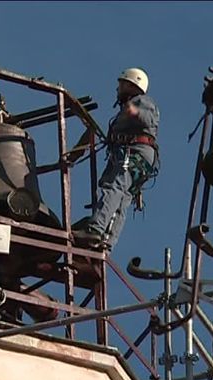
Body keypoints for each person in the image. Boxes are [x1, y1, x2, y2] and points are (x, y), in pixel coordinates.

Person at [74, 68, 160, 249]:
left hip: (135, 154)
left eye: (121, 84)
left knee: (114, 187)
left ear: (131, 85)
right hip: (135, 156)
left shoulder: (141, 102)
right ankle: (106, 242)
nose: (118, 88)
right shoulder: (127, 109)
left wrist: (134, 111)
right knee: (122, 198)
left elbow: (147, 118)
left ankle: (95, 230)